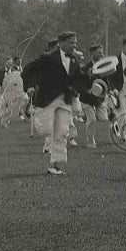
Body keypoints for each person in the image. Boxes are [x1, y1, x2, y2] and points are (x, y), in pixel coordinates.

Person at [21, 31, 86, 175]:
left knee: (62, 132)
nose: (74, 45)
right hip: (46, 98)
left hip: (64, 100)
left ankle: (55, 165)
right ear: (61, 43)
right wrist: (30, 86)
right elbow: (28, 69)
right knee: (45, 129)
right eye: (71, 43)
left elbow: (79, 77)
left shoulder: (74, 59)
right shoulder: (47, 57)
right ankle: (35, 114)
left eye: (75, 43)